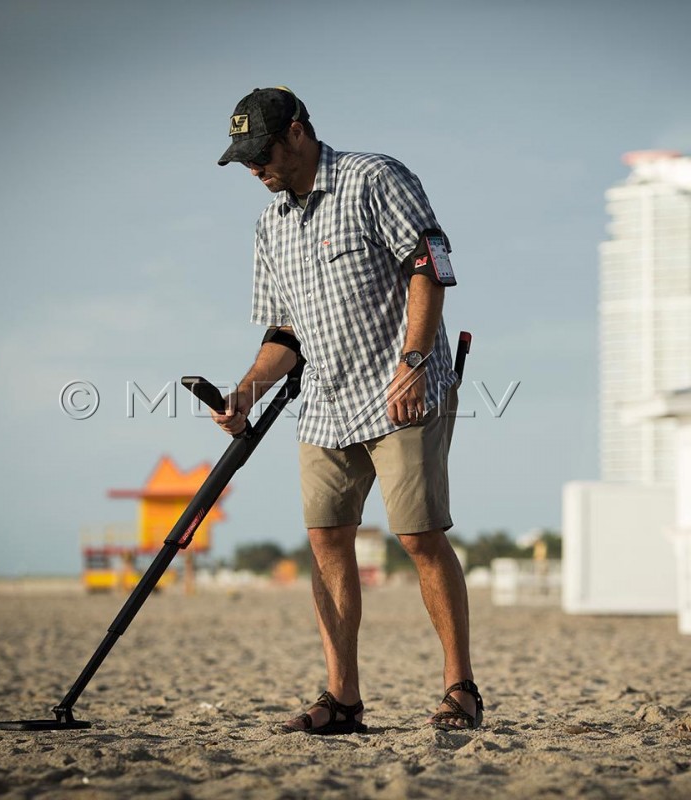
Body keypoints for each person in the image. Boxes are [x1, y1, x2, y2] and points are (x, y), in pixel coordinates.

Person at [213, 86, 483, 734]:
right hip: (326, 403)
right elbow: (284, 333)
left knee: (418, 536)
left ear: (299, 133)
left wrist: (414, 362)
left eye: (262, 152)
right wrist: (246, 391)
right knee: (326, 539)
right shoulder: (270, 225)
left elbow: (429, 262)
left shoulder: (372, 178)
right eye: (244, 159)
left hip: (402, 389)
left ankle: (461, 690)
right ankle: (342, 699)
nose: (255, 169)